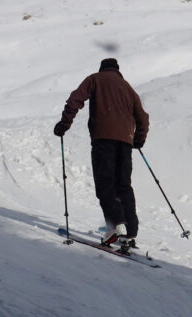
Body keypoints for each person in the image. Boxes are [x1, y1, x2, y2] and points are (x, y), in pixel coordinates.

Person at [53, 58, 150, 247]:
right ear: (118, 71)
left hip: (103, 140)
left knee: (105, 183)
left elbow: (75, 100)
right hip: (125, 143)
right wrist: (138, 140)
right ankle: (130, 232)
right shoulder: (127, 88)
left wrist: (64, 124)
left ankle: (115, 226)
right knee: (123, 185)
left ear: (102, 68)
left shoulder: (95, 79)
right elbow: (143, 118)